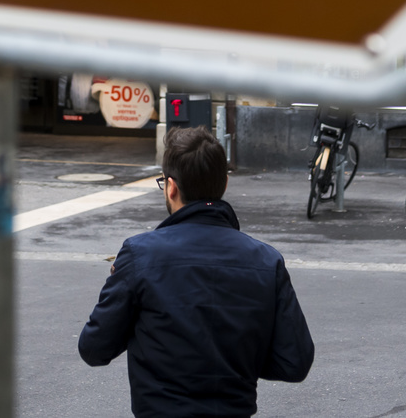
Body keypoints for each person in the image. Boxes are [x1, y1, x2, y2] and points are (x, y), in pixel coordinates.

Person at [78, 126, 314, 417]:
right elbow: (295, 362)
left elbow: (94, 348)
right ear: (224, 184)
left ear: (171, 187)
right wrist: (237, 360)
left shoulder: (140, 255)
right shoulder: (266, 261)